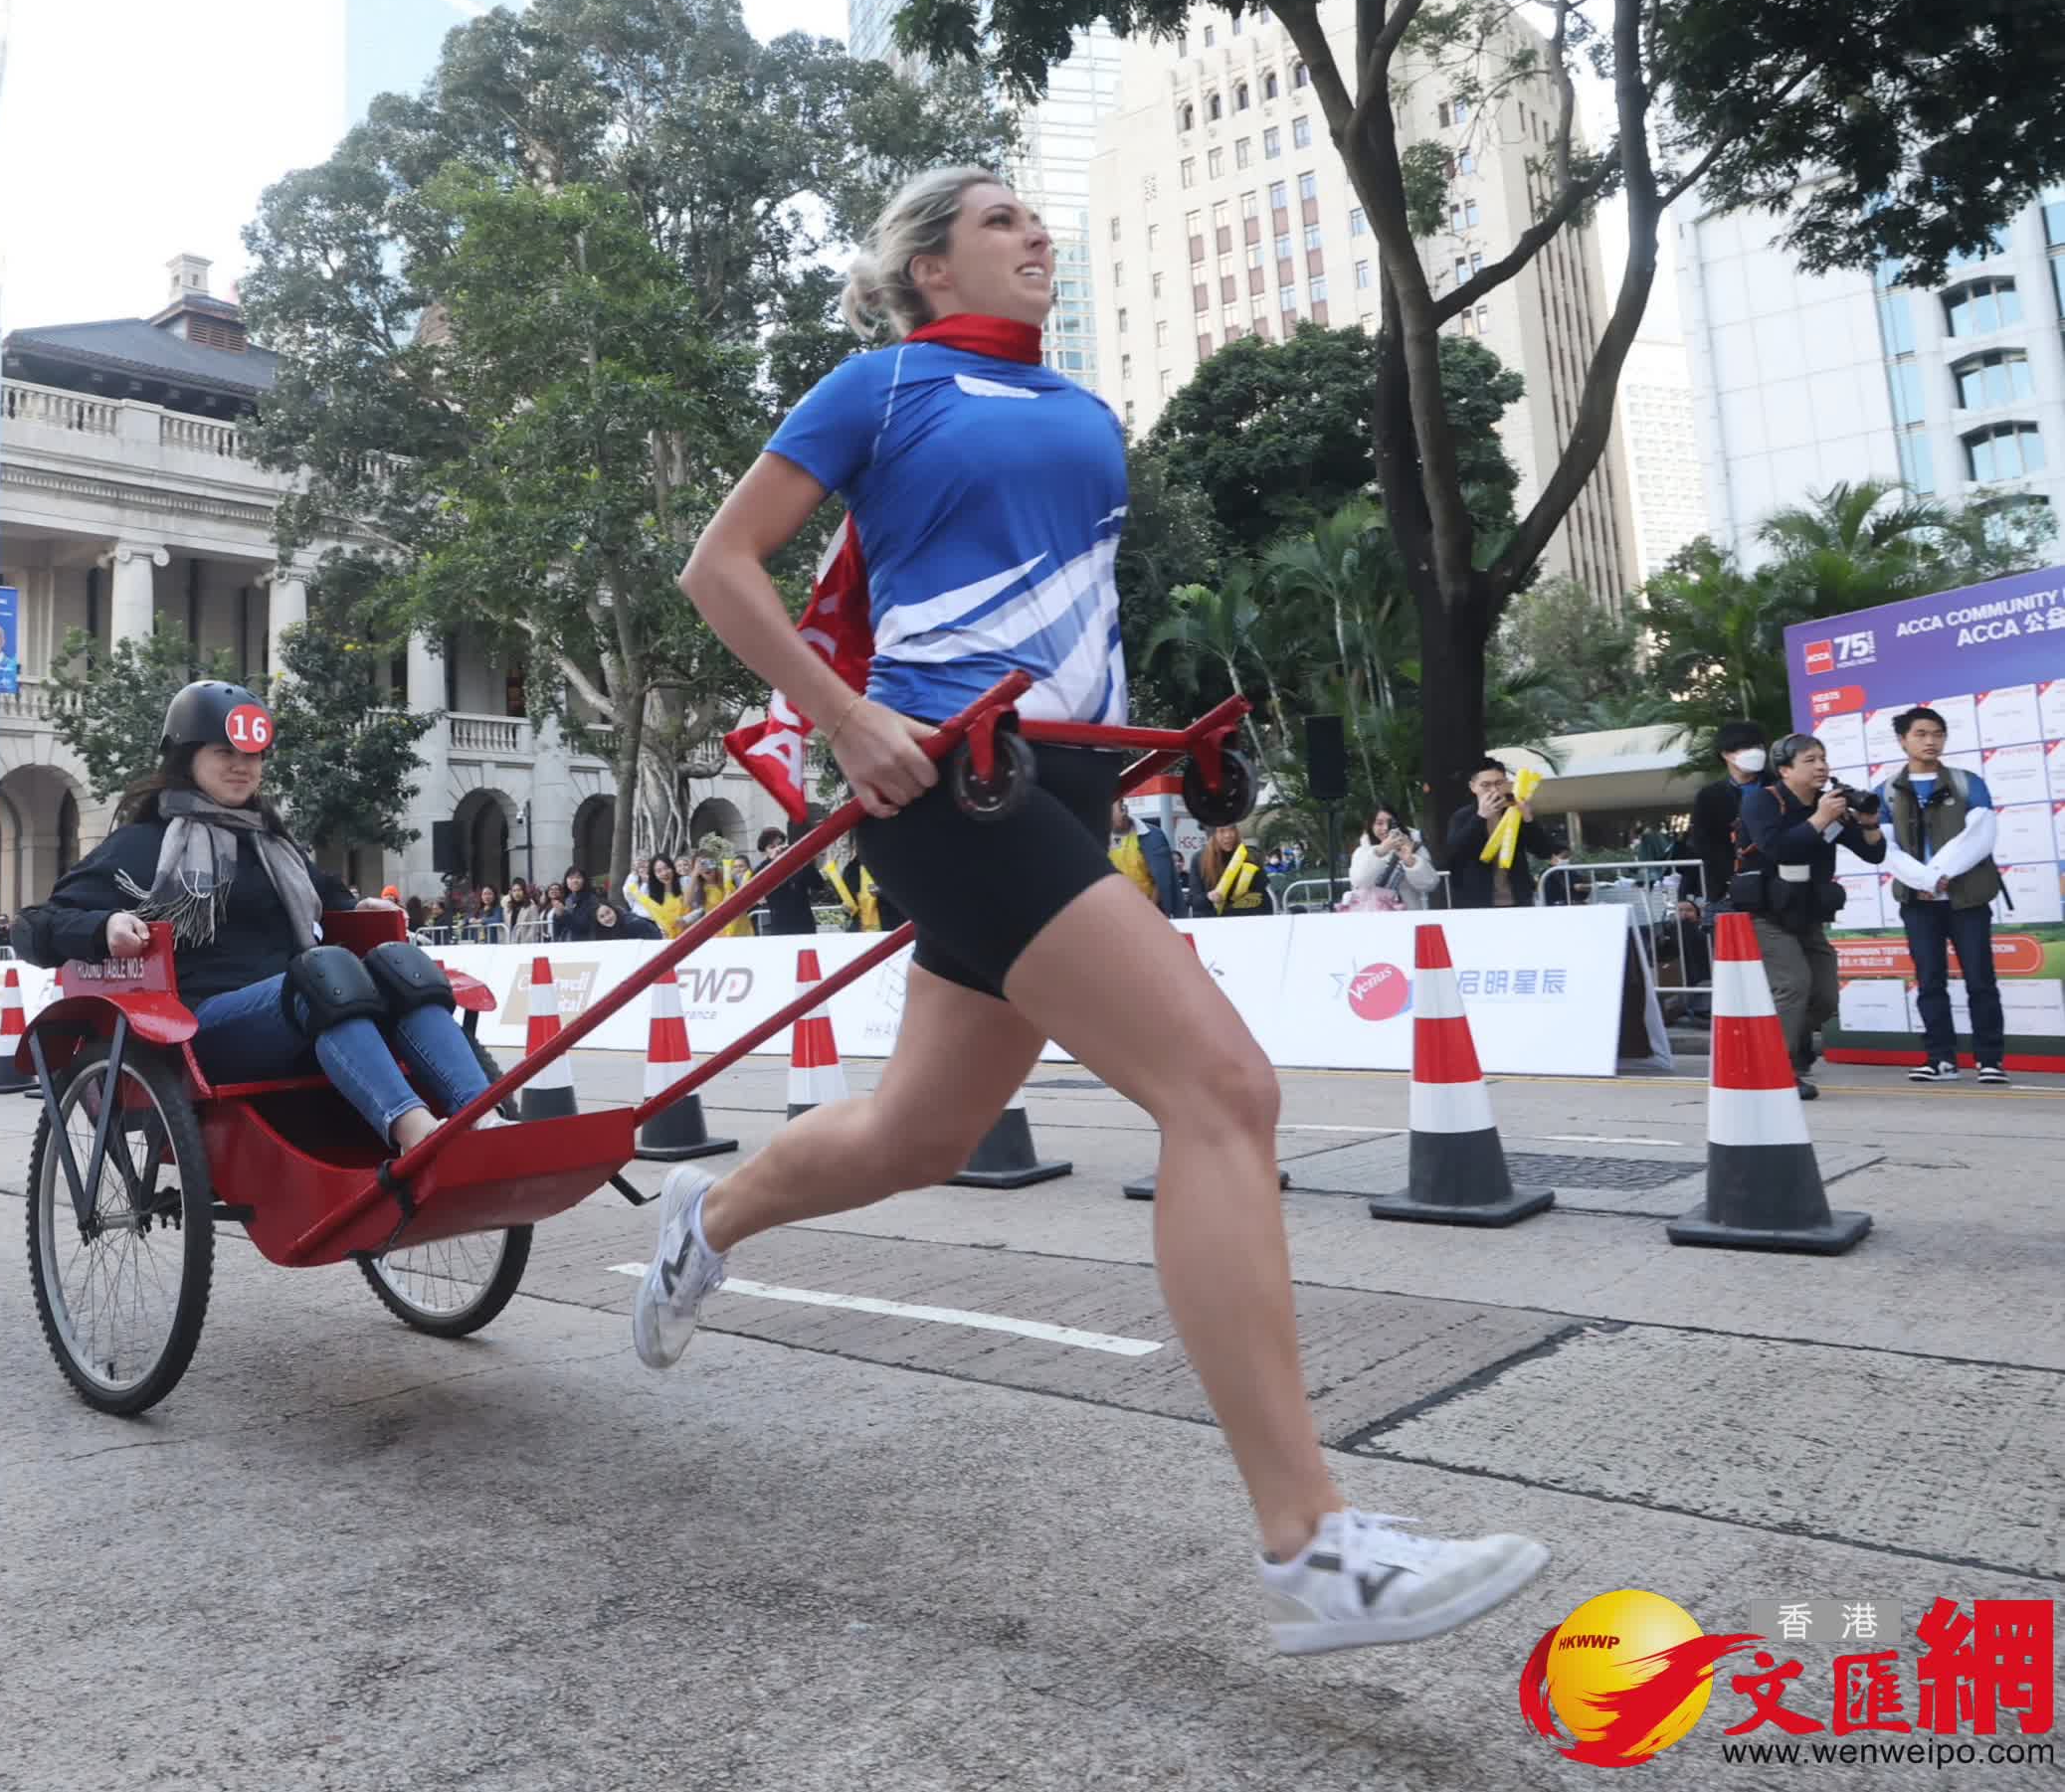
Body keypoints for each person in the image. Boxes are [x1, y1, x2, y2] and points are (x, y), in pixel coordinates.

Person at [649, 162, 1543, 1653]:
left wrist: (1150, 754)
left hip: (1059, 783)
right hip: (941, 777)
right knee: (1223, 1088)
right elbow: (718, 568)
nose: (1036, 233)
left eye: (1039, 219)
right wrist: (844, 716)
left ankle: (708, 1212)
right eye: (1001, 220)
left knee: (920, 1132)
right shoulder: (877, 387)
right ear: (933, 267)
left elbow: (1066, 612)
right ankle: (1312, 1545)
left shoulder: (1083, 410)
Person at [39, 680, 496, 1152]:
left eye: (253, 756)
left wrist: (358, 909)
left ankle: (482, 1116)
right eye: (225, 752)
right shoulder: (141, 845)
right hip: (203, 1027)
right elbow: (38, 925)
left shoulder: (272, 843)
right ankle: (413, 1132)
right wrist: (104, 925)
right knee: (324, 975)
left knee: (401, 966)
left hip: (307, 1005)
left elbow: (327, 898)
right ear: (186, 756)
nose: (242, 767)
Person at [1733, 733, 1885, 1100]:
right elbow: (1777, 848)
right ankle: (1776, 1070)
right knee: (1792, 985)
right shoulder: (1761, 802)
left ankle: (1792, 1049)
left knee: (1826, 996)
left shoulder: (1828, 805)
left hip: (1807, 913)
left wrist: (1867, 823)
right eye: (1810, 760)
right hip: (1765, 912)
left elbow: (1874, 856)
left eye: (1823, 758)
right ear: (1784, 770)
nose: (1821, 766)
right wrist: (1819, 819)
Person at [1876, 706, 2006, 1085]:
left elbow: (1980, 835)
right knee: (1929, 981)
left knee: (1980, 980)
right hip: (1919, 903)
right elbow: (1884, 847)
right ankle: (1940, 1060)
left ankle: (1990, 1060)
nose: (1930, 741)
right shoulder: (1885, 790)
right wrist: (1926, 881)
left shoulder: (1967, 782)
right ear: (1903, 740)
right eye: (1920, 734)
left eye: (1937, 733)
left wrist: (1941, 873)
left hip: (1967, 898)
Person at [1686, 721, 1768, 915]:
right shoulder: (1710, 796)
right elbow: (1703, 846)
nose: (1755, 752)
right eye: (1746, 747)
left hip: (1778, 886)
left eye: (1758, 746)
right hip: (1730, 891)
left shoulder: (1780, 787)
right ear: (1725, 754)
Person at [1444, 757, 1548, 909]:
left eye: (1499, 783)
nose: (1493, 790)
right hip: (1477, 902)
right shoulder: (1462, 816)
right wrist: (1480, 817)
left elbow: (1543, 850)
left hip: (1518, 900)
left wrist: (1528, 819)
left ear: (1506, 783)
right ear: (1473, 787)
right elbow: (1454, 855)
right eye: (1485, 785)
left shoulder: (1516, 811)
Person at [1348, 805, 1440, 911]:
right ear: (1371, 826)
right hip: (1373, 916)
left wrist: (1410, 861)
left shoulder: (1414, 846)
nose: (1385, 828)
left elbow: (1430, 884)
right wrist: (1380, 852)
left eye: (1390, 823)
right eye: (1379, 823)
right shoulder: (1362, 851)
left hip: (1407, 915)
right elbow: (1359, 882)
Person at [752, 826, 837, 936]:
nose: (778, 849)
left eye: (780, 844)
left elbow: (818, 884)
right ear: (765, 852)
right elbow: (756, 886)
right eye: (772, 847)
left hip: (805, 924)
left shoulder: (797, 863)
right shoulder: (764, 868)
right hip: (780, 926)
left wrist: (800, 860)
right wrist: (771, 861)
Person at [1194, 824, 1270, 916]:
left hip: (1248, 917)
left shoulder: (1250, 856)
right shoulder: (1200, 859)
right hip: (1214, 920)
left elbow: (1263, 895)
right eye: (1222, 831)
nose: (1228, 835)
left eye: (1232, 829)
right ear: (1212, 835)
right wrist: (1209, 897)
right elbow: (1194, 900)